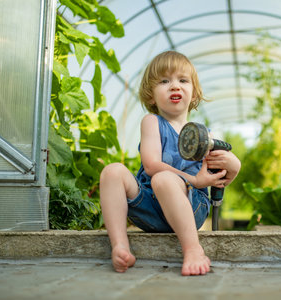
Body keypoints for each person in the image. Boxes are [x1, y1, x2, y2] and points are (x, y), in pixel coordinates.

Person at [99, 51, 241, 276]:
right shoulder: (152, 122)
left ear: (193, 94)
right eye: (164, 81)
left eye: (183, 80)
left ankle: (193, 250)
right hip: (151, 209)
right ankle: (120, 246)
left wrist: (233, 165)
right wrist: (195, 179)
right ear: (151, 96)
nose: (174, 86)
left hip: (191, 206)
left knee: (165, 179)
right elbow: (151, 165)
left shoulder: (202, 134)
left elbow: (225, 164)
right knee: (112, 171)